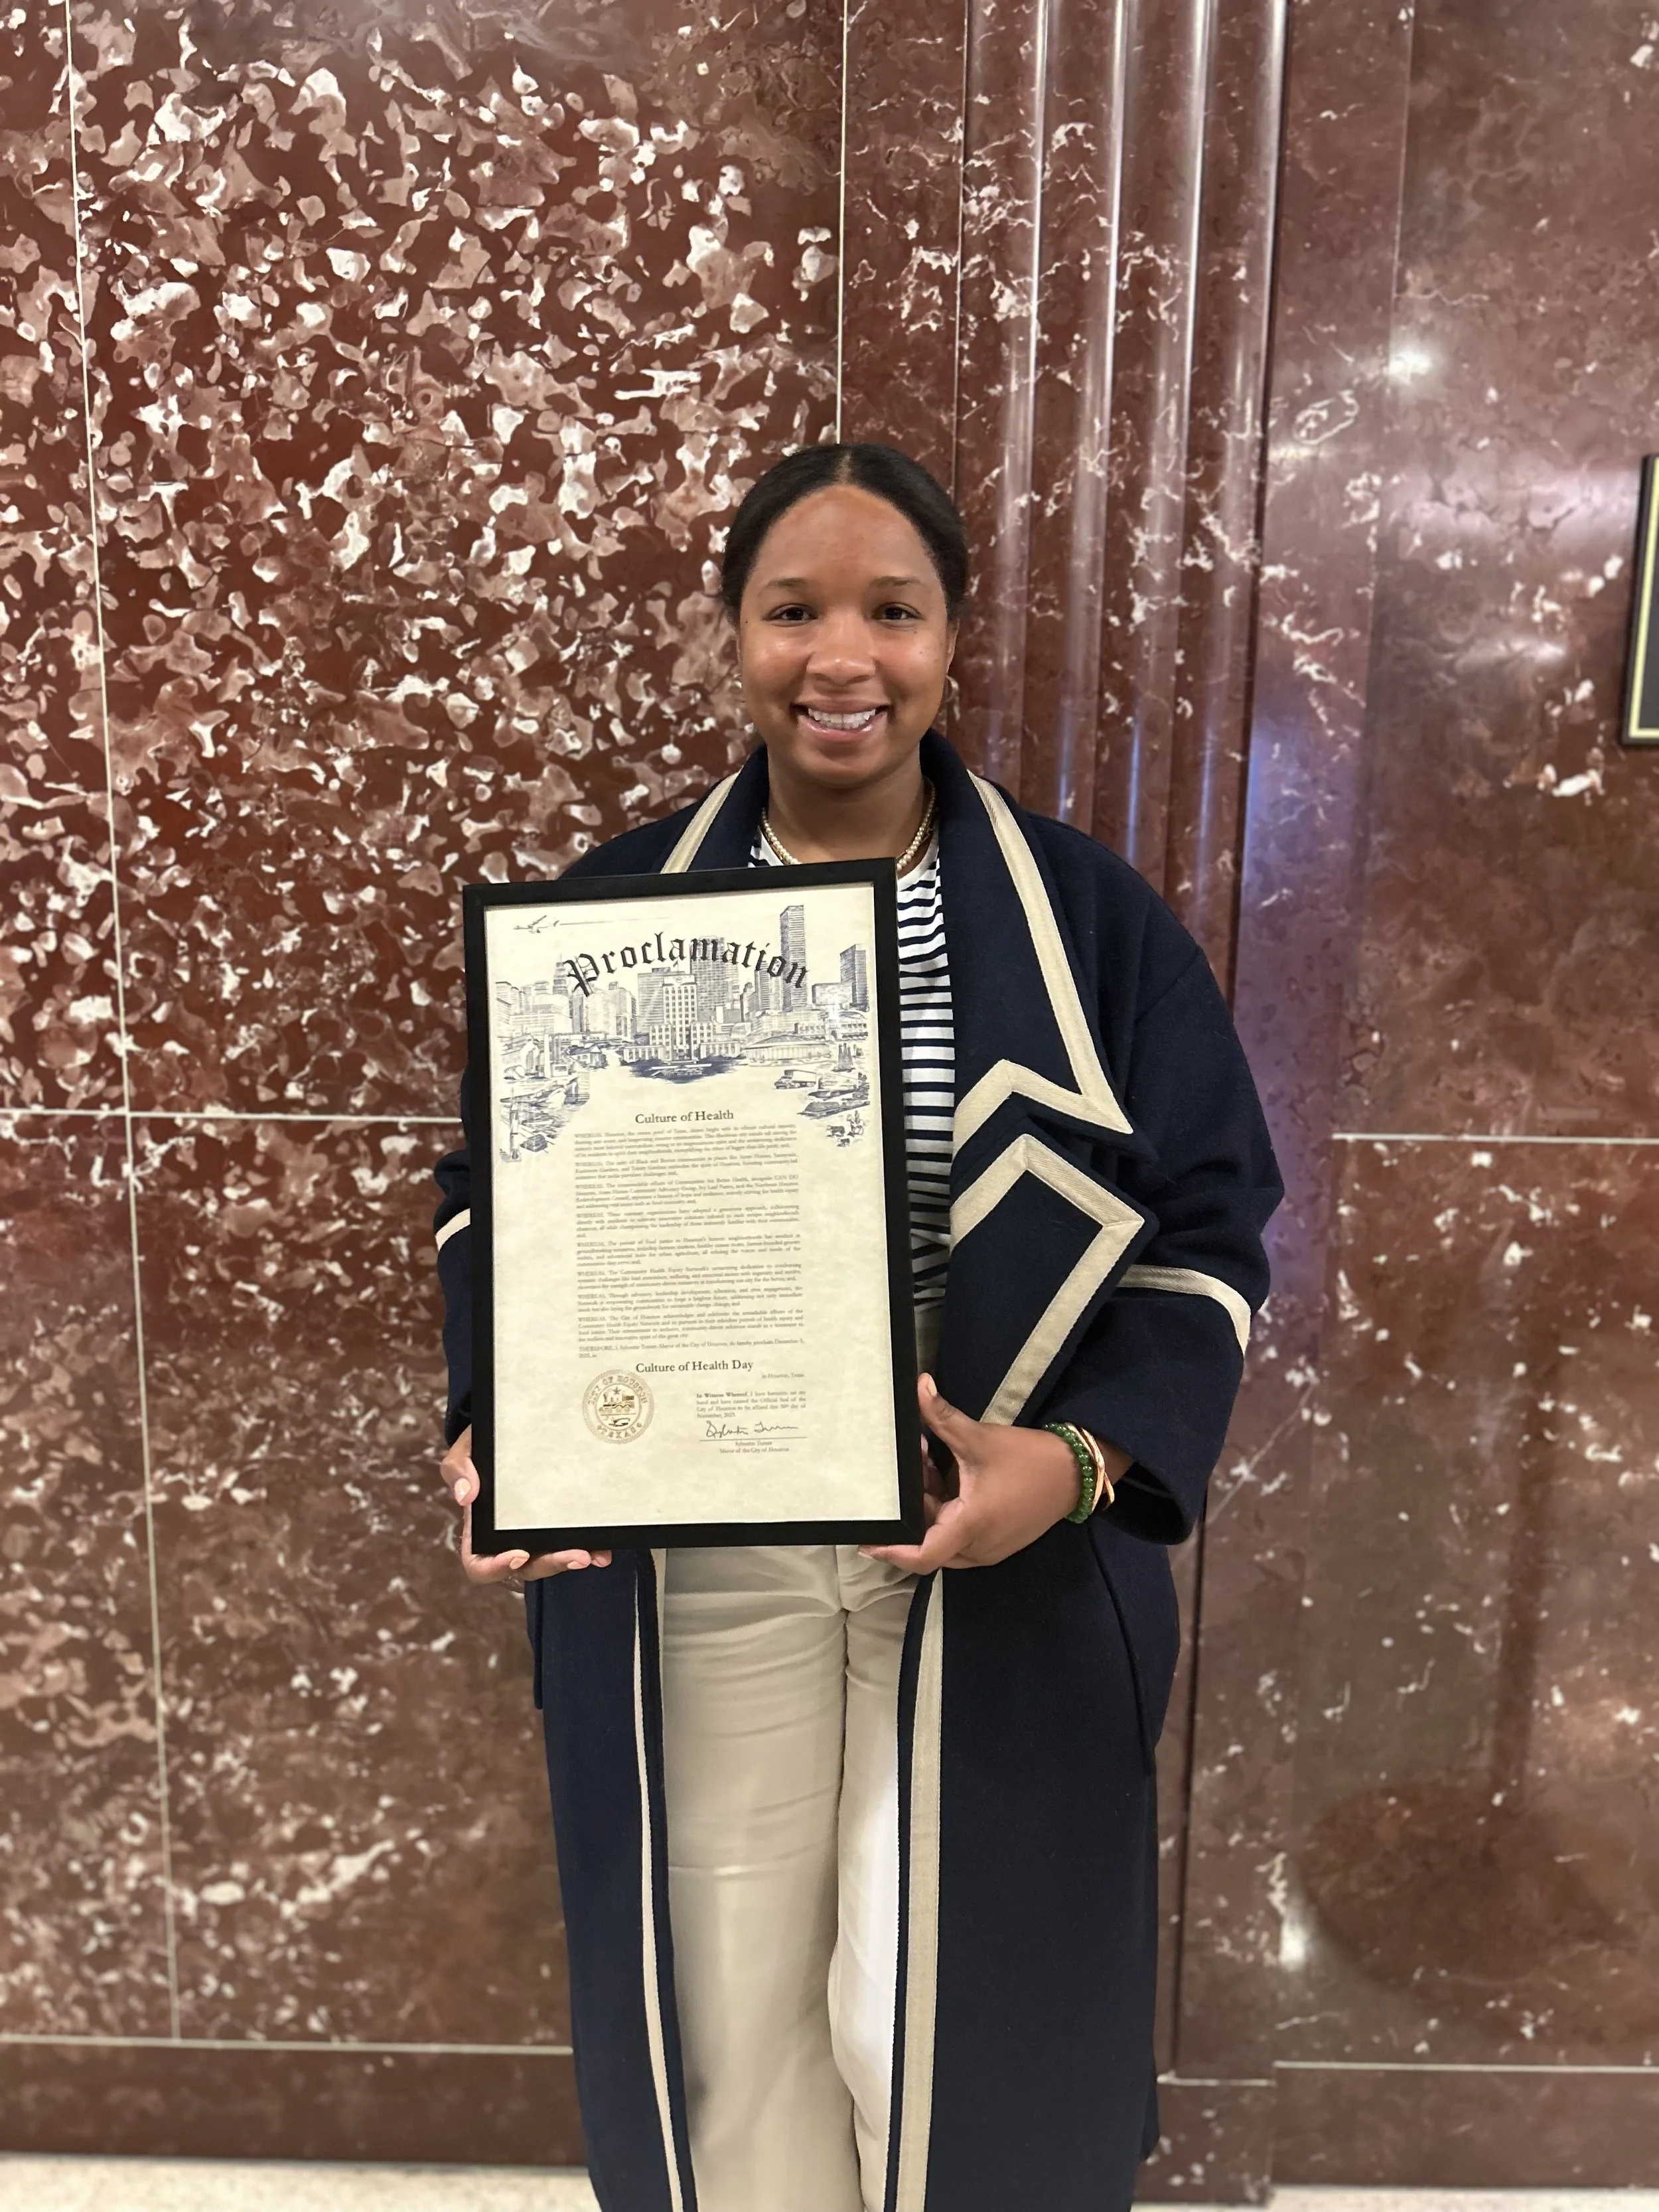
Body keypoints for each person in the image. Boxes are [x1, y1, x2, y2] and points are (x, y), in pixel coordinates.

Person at [433, 443, 1282, 2212]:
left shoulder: (1094, 926)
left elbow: (1206, 1235)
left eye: (890, 610)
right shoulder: (607, 917)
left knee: (950, 2000)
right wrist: (502, 1422)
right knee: (727, 1992)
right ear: (732, 634)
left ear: (953, 637)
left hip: (988, 1541)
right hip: (702, 1538)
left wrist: (1072, 1465)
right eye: (791, 608)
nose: (842, 655)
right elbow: (500, 1203)